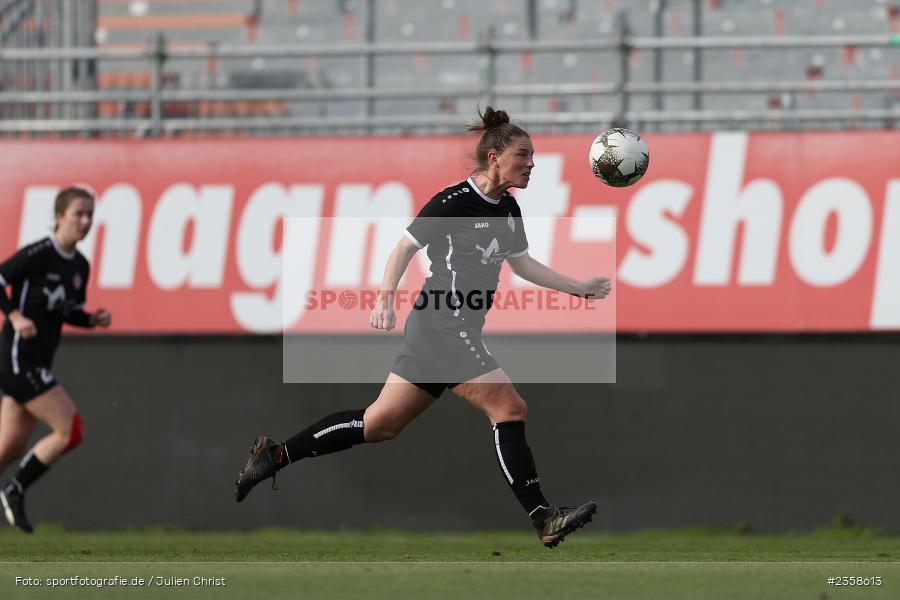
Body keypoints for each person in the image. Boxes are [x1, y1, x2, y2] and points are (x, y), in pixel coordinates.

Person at [234, 107, 612, 548]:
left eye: (533, 156)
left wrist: (578, 287)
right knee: (509, 408)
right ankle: (543, 516)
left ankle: (275, 455)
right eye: (523, 155)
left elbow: (522, 263)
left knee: (379, 425)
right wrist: (383, 299)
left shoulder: (509, 209)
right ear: (493, 158)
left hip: (442, 328)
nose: (531, 163)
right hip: (442, 323)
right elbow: (403, 248)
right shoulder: (453, 201)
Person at [0, 186, 111, 533]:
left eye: (90, 214)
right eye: (78, 213)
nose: (86, 220)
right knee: (70, 430)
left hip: (38, 362)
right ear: (59, 216)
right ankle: (15, 491)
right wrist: (14, 315)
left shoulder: (79, 266)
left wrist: (90, 319)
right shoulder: (38, 253)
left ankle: (14, 488)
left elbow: (68, 310)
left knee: (11, 446)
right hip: (18, 360)